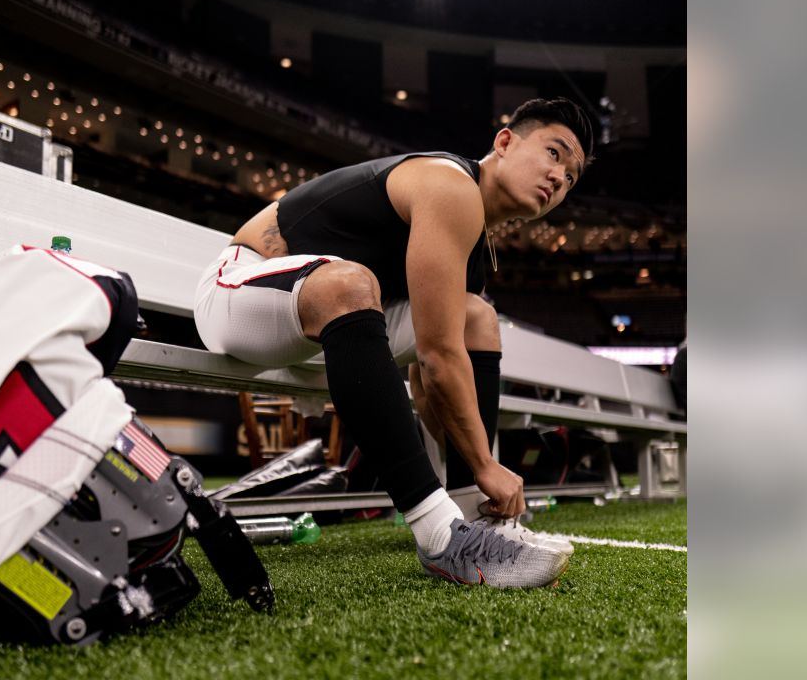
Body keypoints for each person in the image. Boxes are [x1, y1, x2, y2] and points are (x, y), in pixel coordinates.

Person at [194, 98, 593, 588]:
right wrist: (487, 463)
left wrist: (475, 474)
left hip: (336, 318)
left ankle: (478, 519)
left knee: (477, 318)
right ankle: (438, 536)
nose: (559, 179)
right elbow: (436, 355)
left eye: (571, 178)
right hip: (243, 290)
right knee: (351, 283)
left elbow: (429, 380)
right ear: (505, 141)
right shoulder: (451, 184)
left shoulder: (477, 249)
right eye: (554, 154)